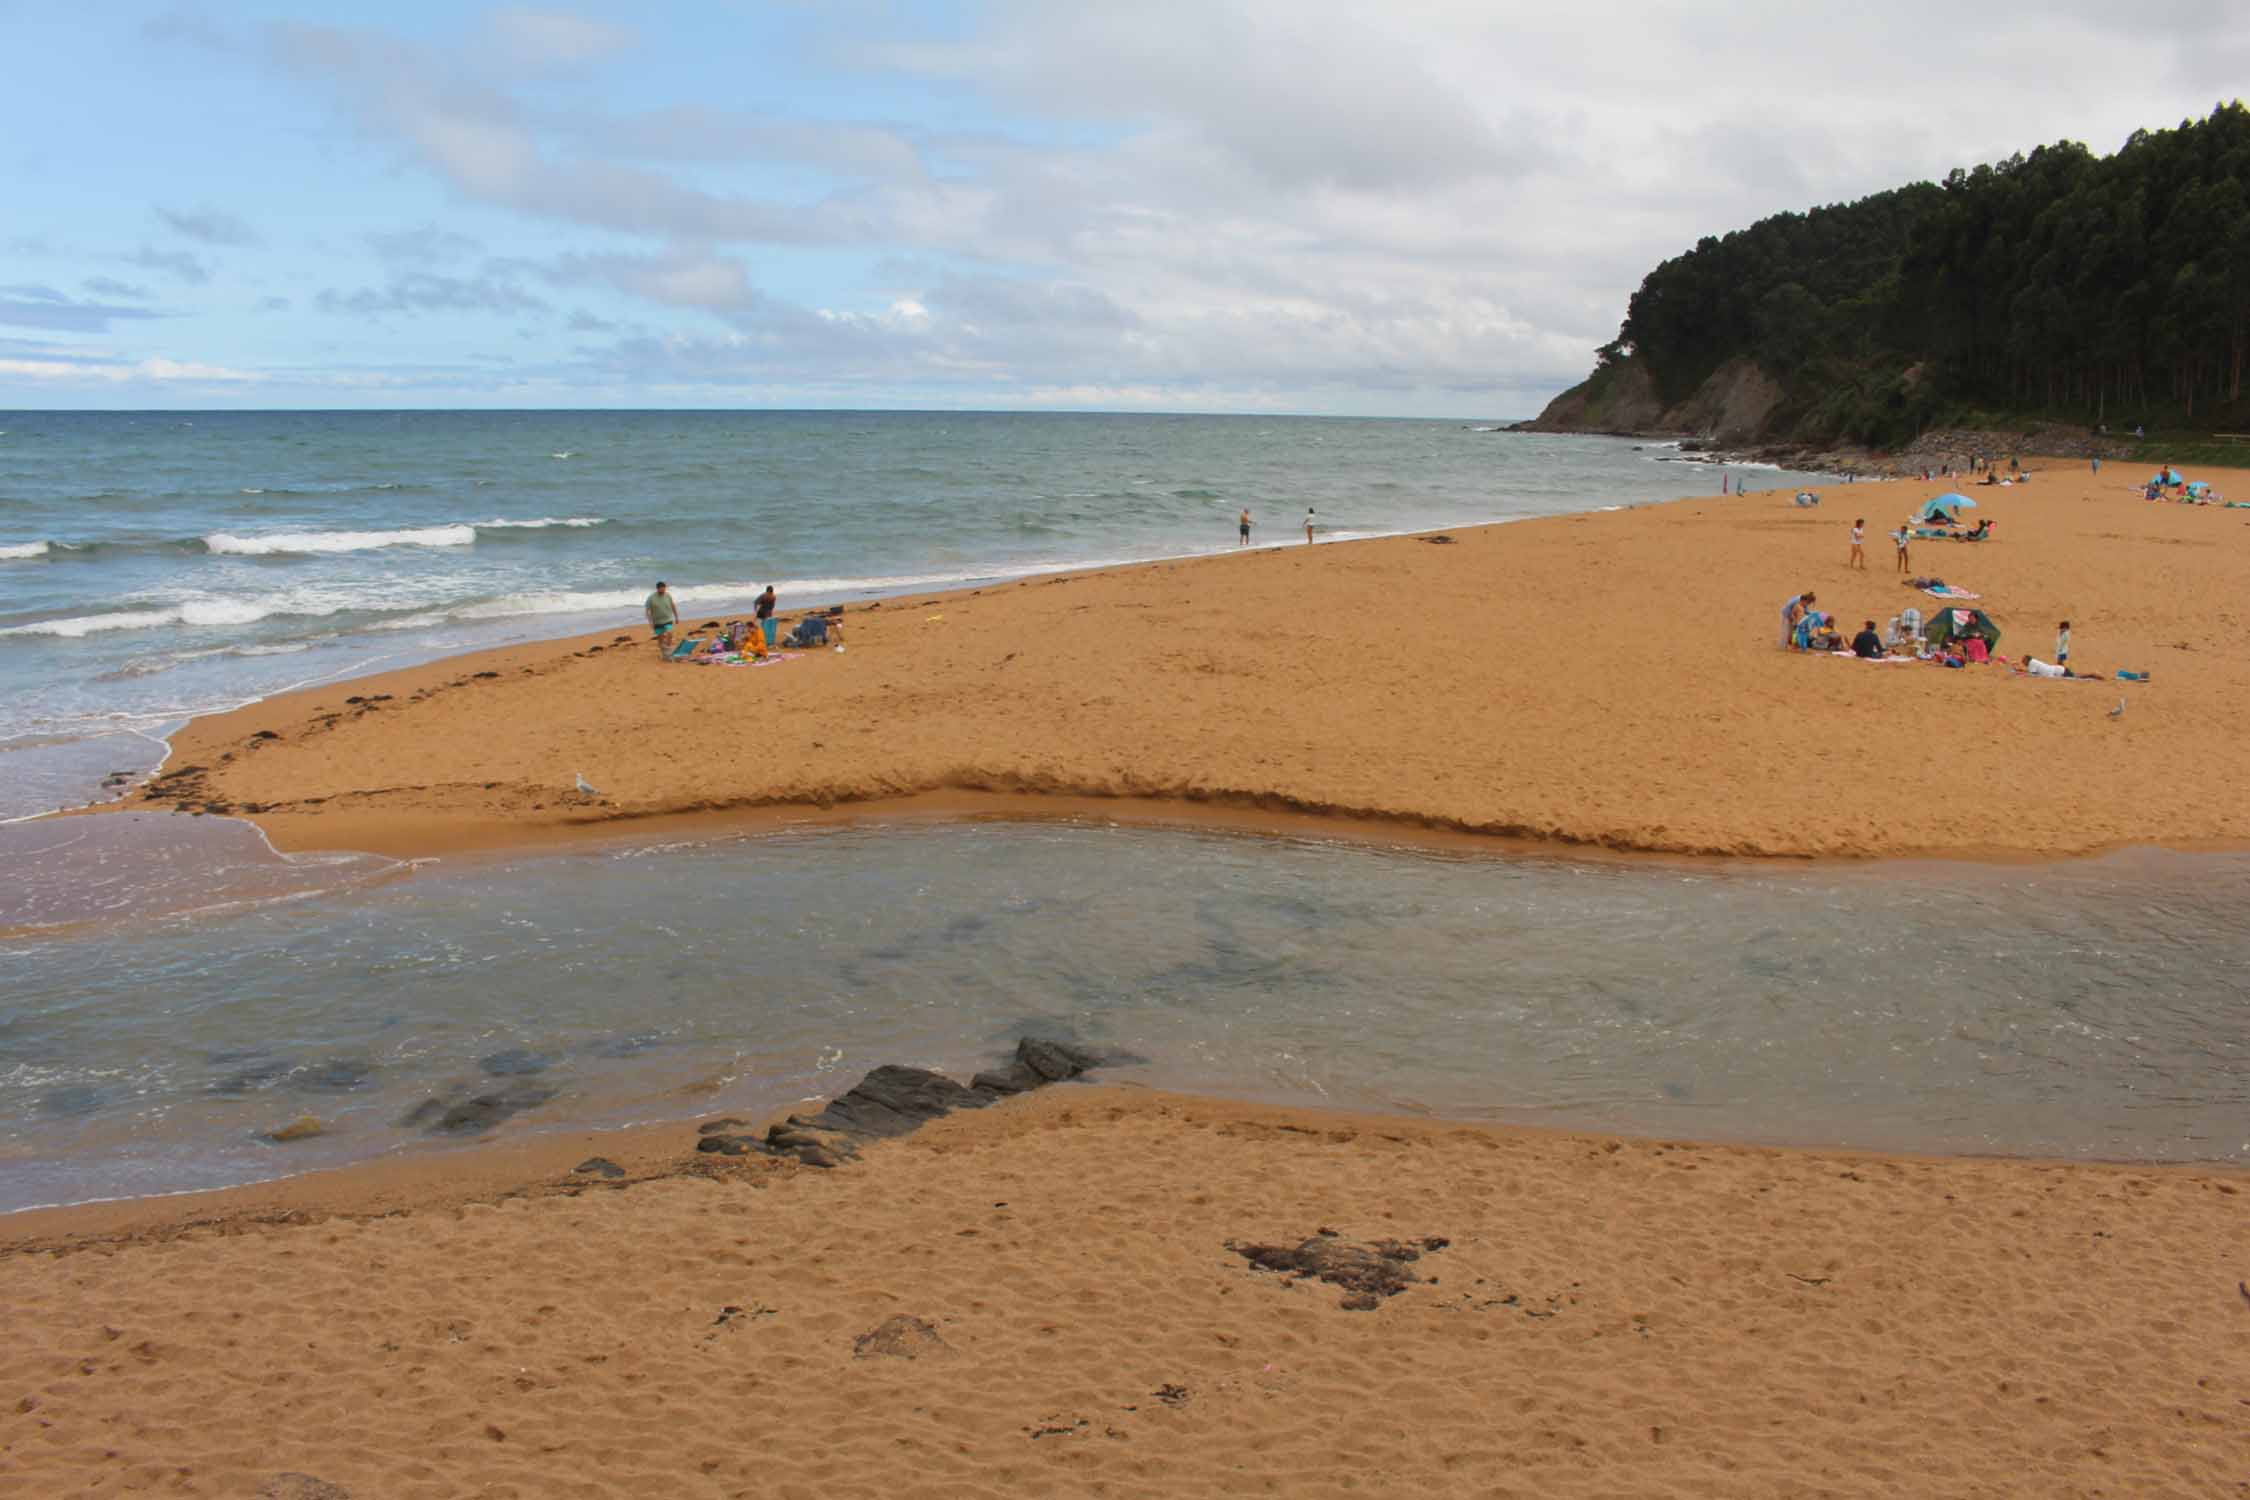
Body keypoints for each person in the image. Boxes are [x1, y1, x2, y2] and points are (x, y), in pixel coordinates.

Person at [645, 581, 679, 656]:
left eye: (664, 589)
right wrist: (650, 622)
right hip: (657, 621)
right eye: (662, 589)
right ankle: (664, 653)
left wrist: (676, 617)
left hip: (668, 619)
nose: (664, 591)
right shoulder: (651, 598)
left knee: (670, 632)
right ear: (658, 589)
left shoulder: (668, 596)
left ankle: (668, 649)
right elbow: (647, 611)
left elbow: (673, 606)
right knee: (660, 638)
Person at [755, 584, 778, 649]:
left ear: (767, 591)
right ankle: (765, 641)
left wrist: (756, 611)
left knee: (759, 627)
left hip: (762, 613)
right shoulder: (773, 597)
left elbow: (756, 602)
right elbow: (772, 606)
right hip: (767, 613)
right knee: (764, 627)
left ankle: (762, 640)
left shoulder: (764, 596)